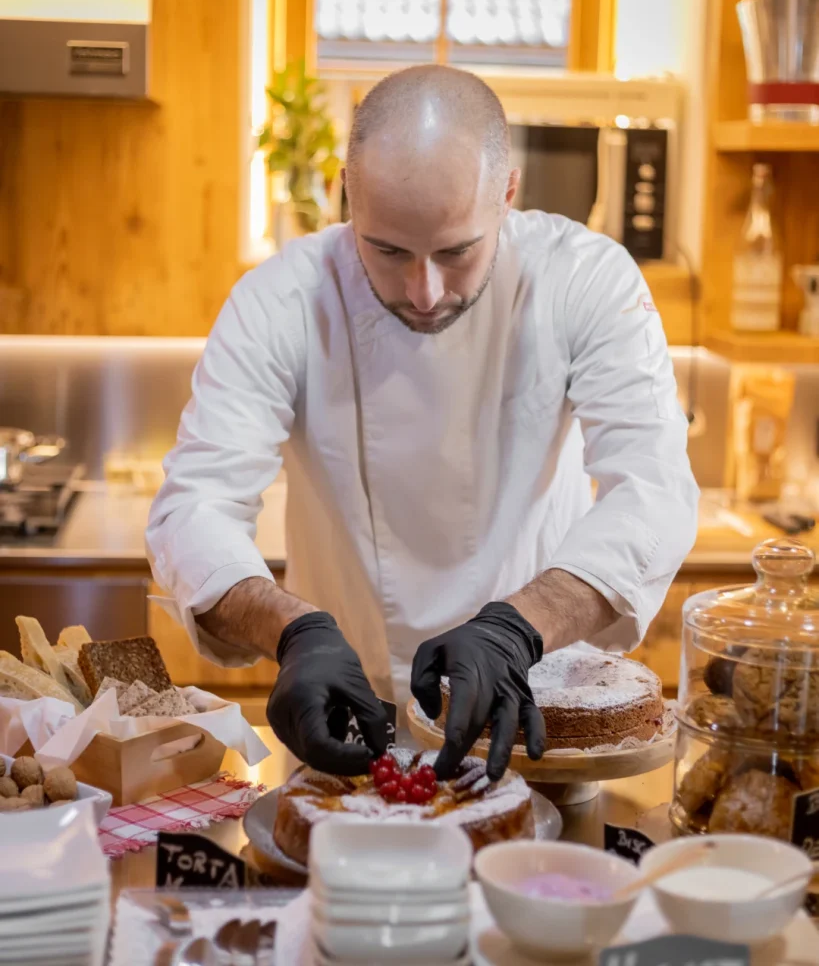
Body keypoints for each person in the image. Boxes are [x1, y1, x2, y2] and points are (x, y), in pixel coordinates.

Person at [146, 65, 698, 783]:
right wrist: (292, 631)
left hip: (529, 710)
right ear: (348, 189)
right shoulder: (278, 300)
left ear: (508, 193)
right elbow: (193, 508)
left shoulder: (584, 280)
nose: (424, 291)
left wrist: (514, 629)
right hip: (341, 718)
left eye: (455, 251)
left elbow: (652, 490)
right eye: (388, 250)